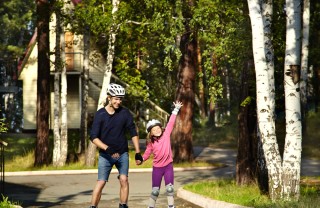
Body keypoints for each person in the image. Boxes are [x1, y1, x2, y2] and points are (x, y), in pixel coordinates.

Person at [88, 83, 143, 208]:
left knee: (124, 179)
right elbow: (93, 137)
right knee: (101, 182)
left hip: (122, 153)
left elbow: (133, 132)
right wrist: (107, 148)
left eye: (120, 99)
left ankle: (123, 205)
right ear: (109, 98)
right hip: (105, 155)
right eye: (116, 99)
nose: (118, 102)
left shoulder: (125, 113)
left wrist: (138, 153)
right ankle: (93, 207)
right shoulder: (100, 114)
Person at [140, 101, 183, 208]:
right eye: (154, 130)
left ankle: (171, 206)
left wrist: (176, 109)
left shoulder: (166, 134)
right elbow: (146, 154)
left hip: (168, 166)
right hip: (157, 168)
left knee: (170, 189)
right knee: (155, 191)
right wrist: (141, 159)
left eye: (158, 128)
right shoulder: (151, 143)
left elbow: (171, 122)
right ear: (151, 133)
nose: (157, 130)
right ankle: (151, 206)